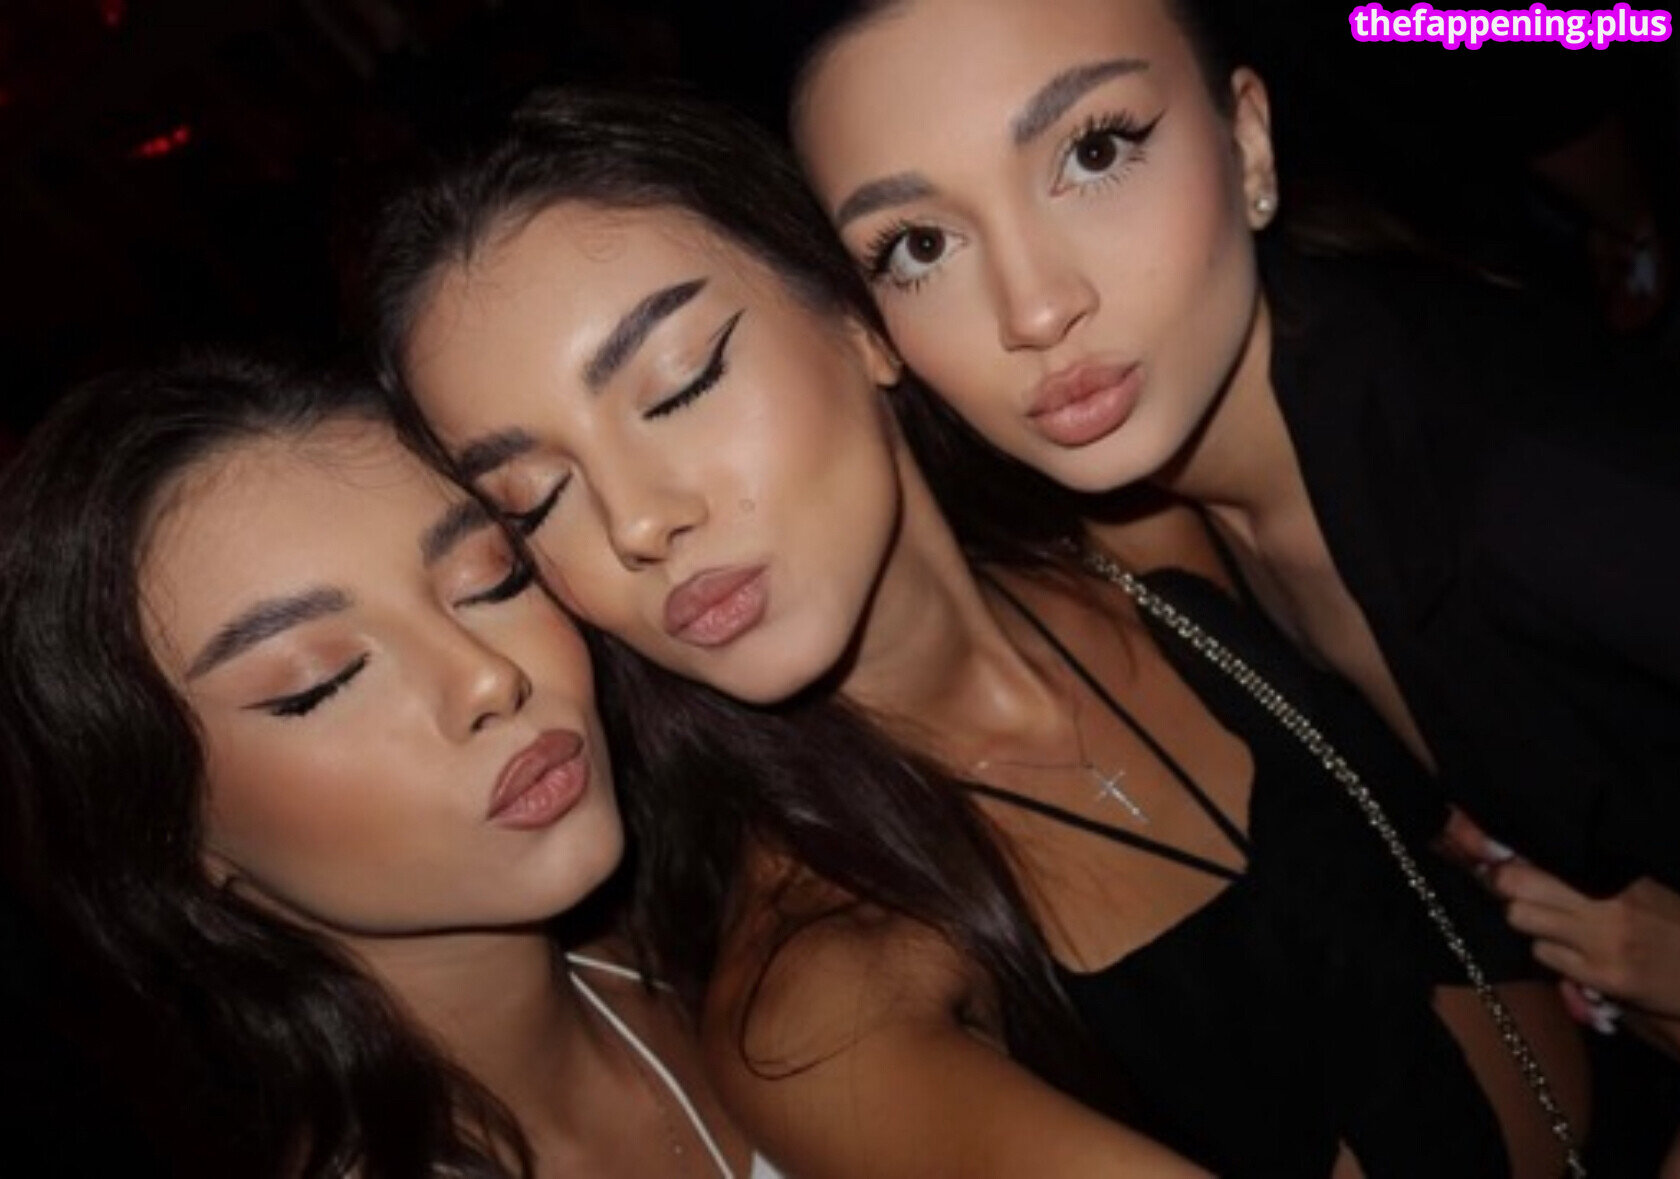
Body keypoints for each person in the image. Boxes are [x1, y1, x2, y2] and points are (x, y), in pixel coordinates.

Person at [368, 86, 1589, 1177]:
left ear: (860, 322)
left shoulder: (1143, 531)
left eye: (680, 385)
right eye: (534, 500)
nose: (640, 522)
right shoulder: (820, 1002)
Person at [786, 0, 1680, 1063]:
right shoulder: (1151, 518)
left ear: (1247, 140)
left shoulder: (1536, 486)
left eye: (1095, 152)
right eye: (920, 245)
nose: (1035, 308)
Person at [0, 354, 771, 1177]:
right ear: (174, 833)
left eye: (492, 581)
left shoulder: (731, 934)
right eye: (321, 682)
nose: (487, 677)